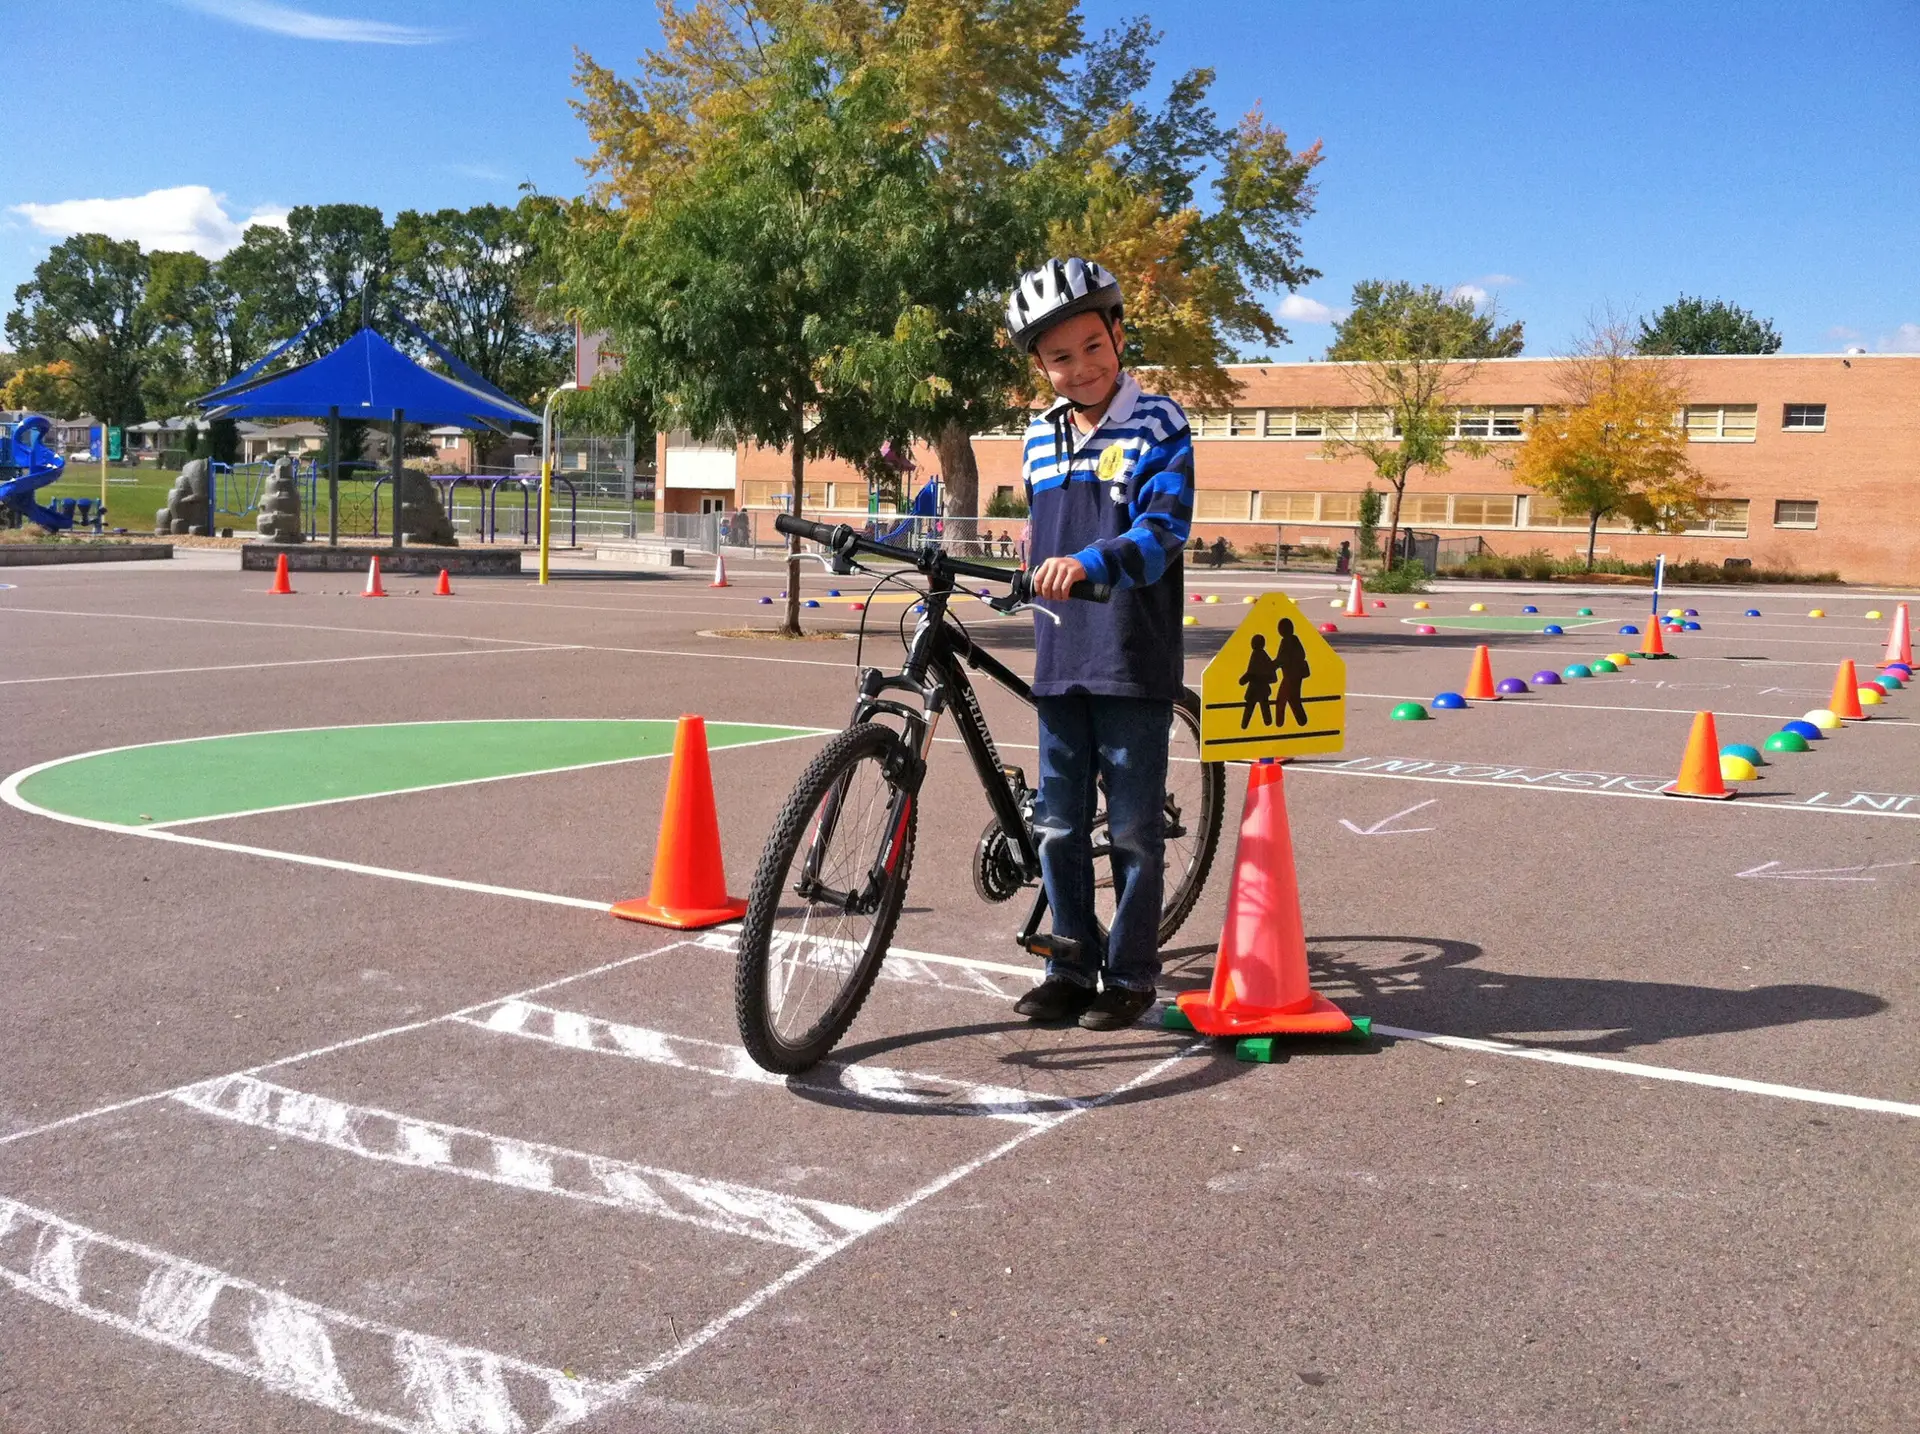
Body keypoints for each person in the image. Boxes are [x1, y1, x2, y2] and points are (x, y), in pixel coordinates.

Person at [1002, 256, 1194, 1031]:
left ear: (1118, 334)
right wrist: (1025, 563)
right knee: (1057, 822)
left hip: (1129, 655)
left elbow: (1161, 532)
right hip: (1059, 659)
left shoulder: (1159, 422)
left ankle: (1132, 974)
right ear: (1039, 366)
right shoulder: (1037, 438)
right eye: (1059, 357)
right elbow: (1039, 529)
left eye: (1092, 346)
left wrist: (1088, 562)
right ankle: (1070, 963)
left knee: (1134, 830)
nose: (1079, 368)